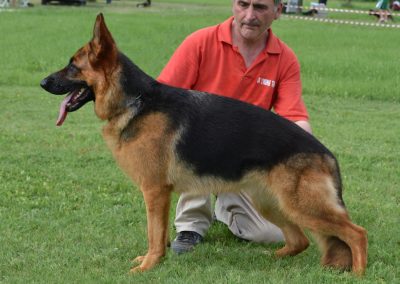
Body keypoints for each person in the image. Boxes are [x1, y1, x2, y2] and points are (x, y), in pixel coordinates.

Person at [158, 0, 312, 254]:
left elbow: (295, 120)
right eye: (243, 4)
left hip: (246, 162)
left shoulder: (285, 59)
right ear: (233, 5)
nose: (249, 15)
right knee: (199, 135)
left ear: (278, 11)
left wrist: (310, 165)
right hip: (196, 147)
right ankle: (190, 225)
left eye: (260, 7)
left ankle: (226, 205)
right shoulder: (200, 42)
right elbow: (162, 99)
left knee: (270, 234)